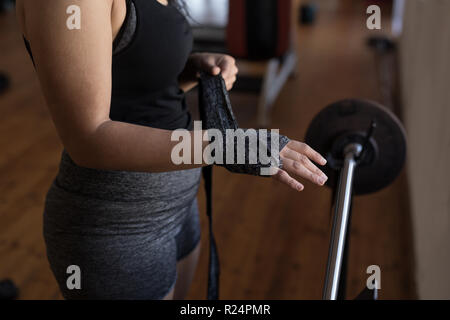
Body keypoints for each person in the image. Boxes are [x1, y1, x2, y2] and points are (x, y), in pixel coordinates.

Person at [15, 0, 328, 300]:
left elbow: (134, 87)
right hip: (117, 227)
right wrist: (230, 146)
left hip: (179, 210)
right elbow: (89, 139)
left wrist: (192, 69)